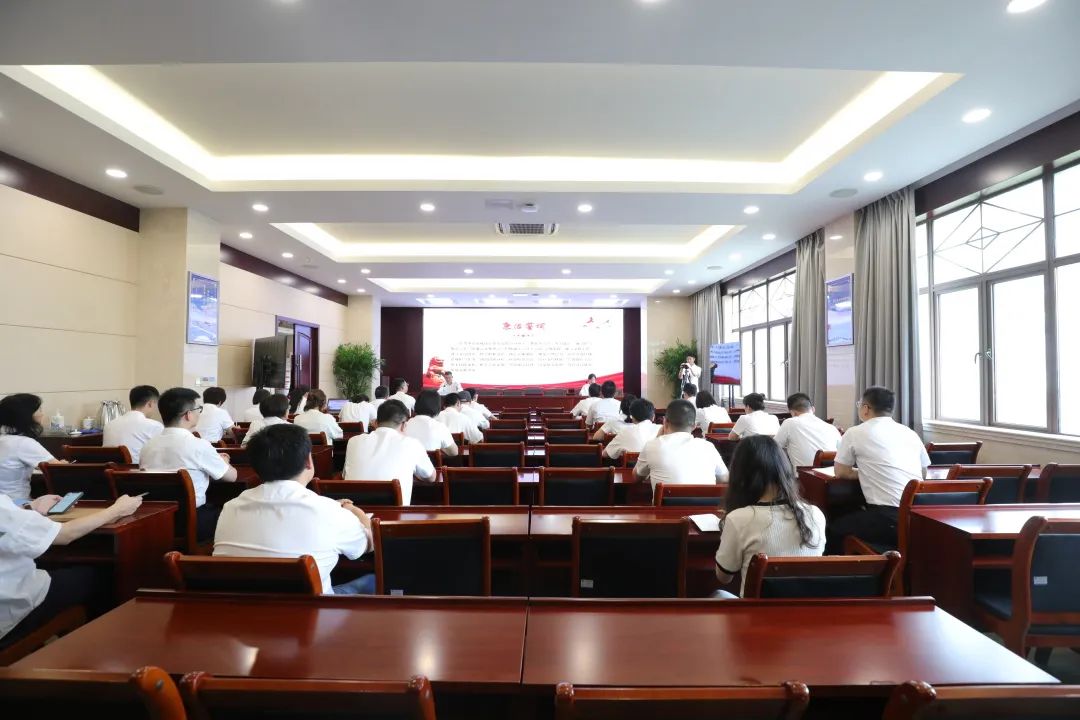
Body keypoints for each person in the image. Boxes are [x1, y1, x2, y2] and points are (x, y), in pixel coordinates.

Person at [214, 424, 374, 595]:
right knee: (373, 580)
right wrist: (353, 510)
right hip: (314, 610)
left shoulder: (230, 508)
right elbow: (370, 544)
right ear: (308, 461)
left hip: (242, 608)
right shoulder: (329, 511)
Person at [0, 492, 142, 648]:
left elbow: (8, 520)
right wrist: (117, 510)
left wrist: (29, 507)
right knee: (101, 577)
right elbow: (65, 534)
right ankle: (102, 647)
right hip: (12, 604)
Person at [713, 435, 826, 596]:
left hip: (755, 612)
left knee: (718, 594)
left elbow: (724, 577)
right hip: (804, 609)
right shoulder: (815, 514)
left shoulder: (738, 519)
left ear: (740, 474)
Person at [825, 386, 930, 554]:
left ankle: (854, 569)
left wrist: (867, 473)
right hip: (919, 516)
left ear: (866, 408)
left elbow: (841, 472)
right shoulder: (910, 433)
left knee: (833, 528)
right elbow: (923, 473)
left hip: (886, 517)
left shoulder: (855, 432)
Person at [140, 388, 238, 540]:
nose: (200, 413)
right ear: (188, 415)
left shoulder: (148, 446)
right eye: (198, 409)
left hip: (156, 522)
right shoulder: (198, 445)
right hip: (193, 521)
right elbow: (232, 477)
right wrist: (223, 462)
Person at [343, 400, 435, 505]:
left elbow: (345, 475)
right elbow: (431, 477)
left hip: (353, 512)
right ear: (404, 425)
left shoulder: (353, 441)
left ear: (375, 423)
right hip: (395, 514)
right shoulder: (411, 443)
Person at [635, 399, 728, 493]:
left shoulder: (652, 446)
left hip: (666, 503)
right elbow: (725, 478)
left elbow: (636, 477)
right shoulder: (708, 447)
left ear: (665, 422)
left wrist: (657, 439)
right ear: (694, 426)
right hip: (706, 502)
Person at [0, 394, 58, 501]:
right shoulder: (23, 443)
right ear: (27, 415)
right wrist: (62, 463)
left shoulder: (4, 439)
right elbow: (58, 470)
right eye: (39, 410)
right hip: (15, 504)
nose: (42, 414)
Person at [774, 393, 842, 469]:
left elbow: (773, 447)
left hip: (804, 475)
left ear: (792, 412)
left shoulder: (790, 423)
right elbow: (842, 453)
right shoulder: (832, 428)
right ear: (813, 409)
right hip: (831, 474)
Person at [102, 385, 164, 463]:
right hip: (136, 470)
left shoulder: (109, 425)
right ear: (150, 404)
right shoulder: (155, 426)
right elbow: (162, 456)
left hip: (108, 470)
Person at [404, 390, 459, 458]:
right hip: (433, 464)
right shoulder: (440, 427)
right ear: (437, 406)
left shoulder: (405, 425)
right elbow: (454, 452)